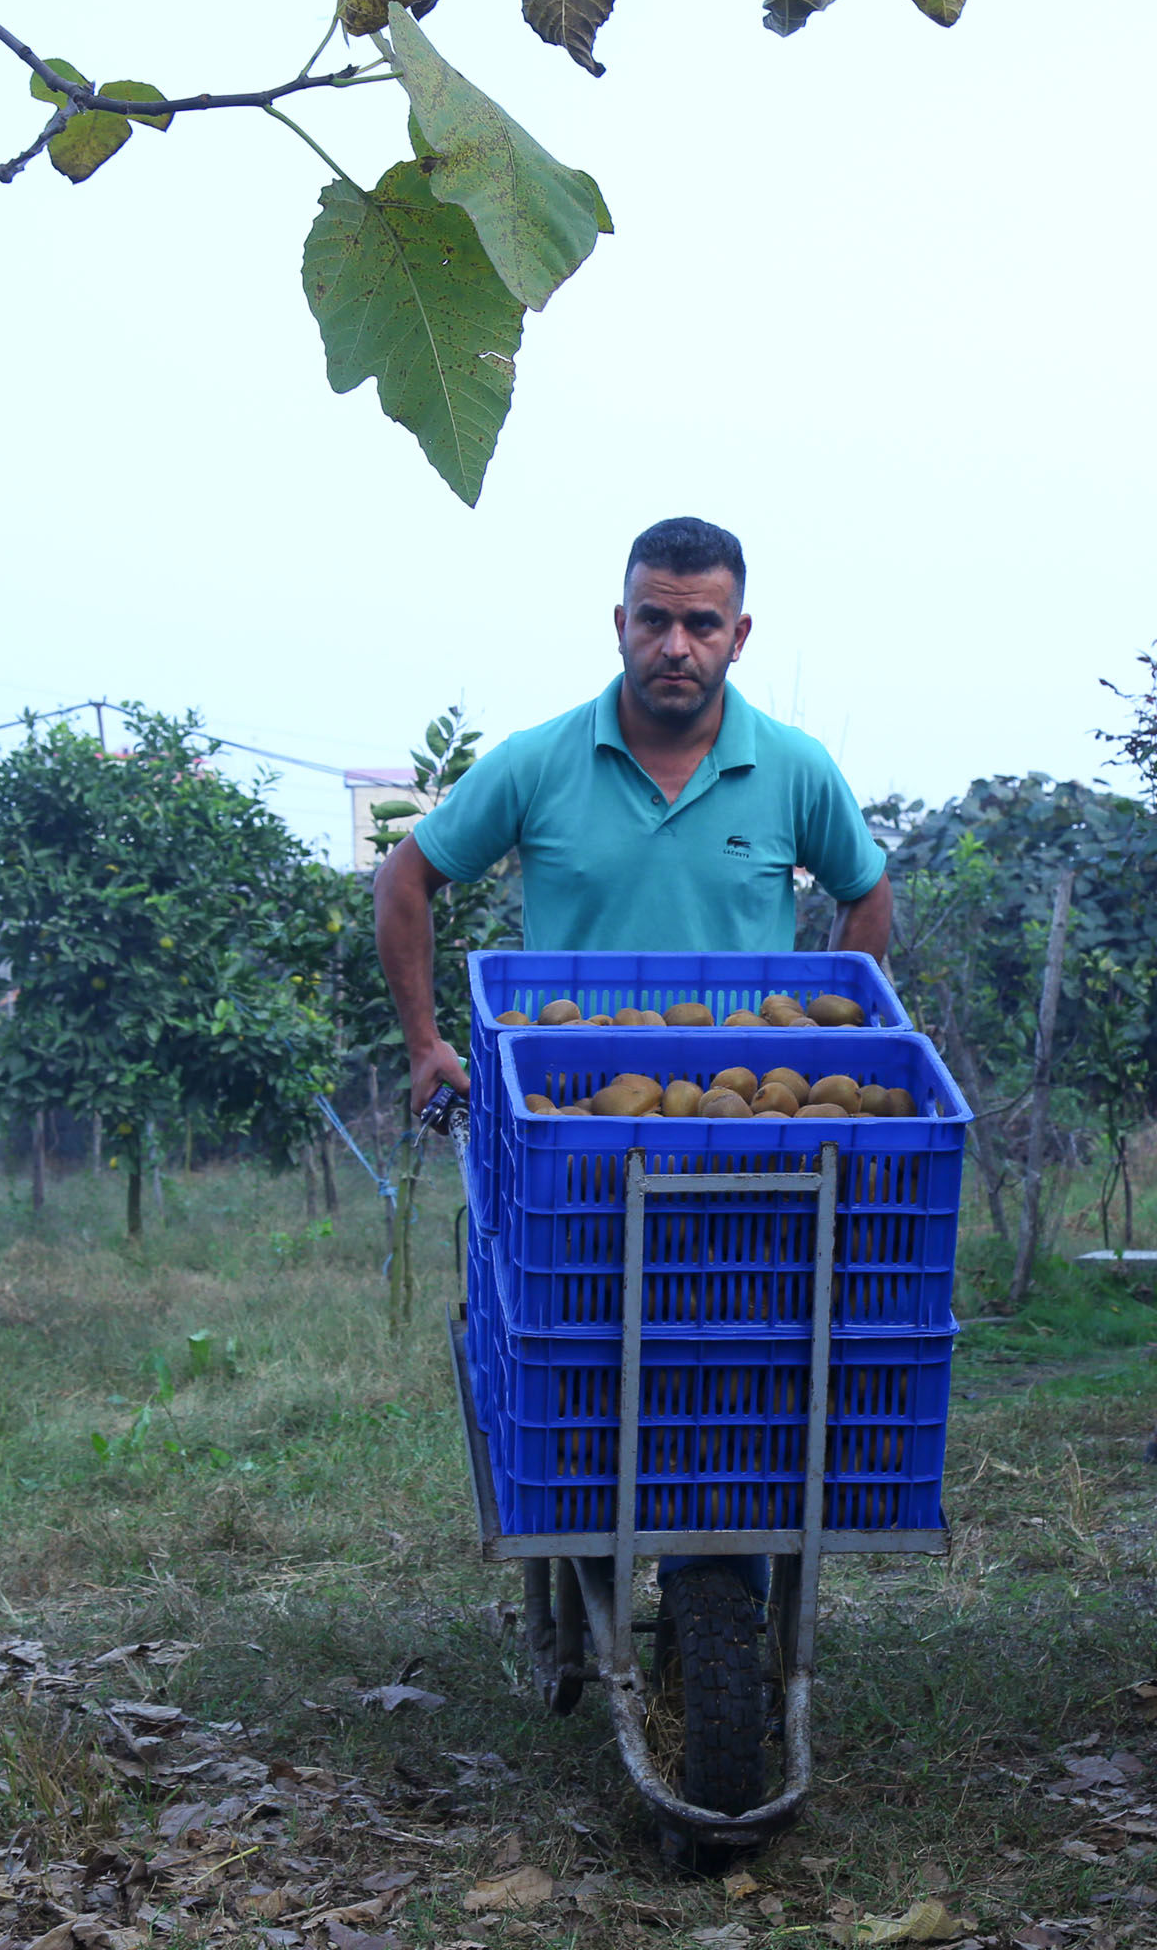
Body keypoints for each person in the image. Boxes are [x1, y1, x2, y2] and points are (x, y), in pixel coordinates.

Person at [371, 514, 893, 1603]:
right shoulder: (540, 760)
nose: (675, 644)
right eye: (654, 618)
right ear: (620, 623)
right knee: (588, 1358)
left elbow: (867, 889)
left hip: (744, 1137)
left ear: (739, 634)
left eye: (701, 622)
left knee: (741, 1353)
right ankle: (583, 1538)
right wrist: (426, 1045)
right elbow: (406, 878)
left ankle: (727, 1566)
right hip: (575, 1139)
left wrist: (839, 1025)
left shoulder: (793, 769)